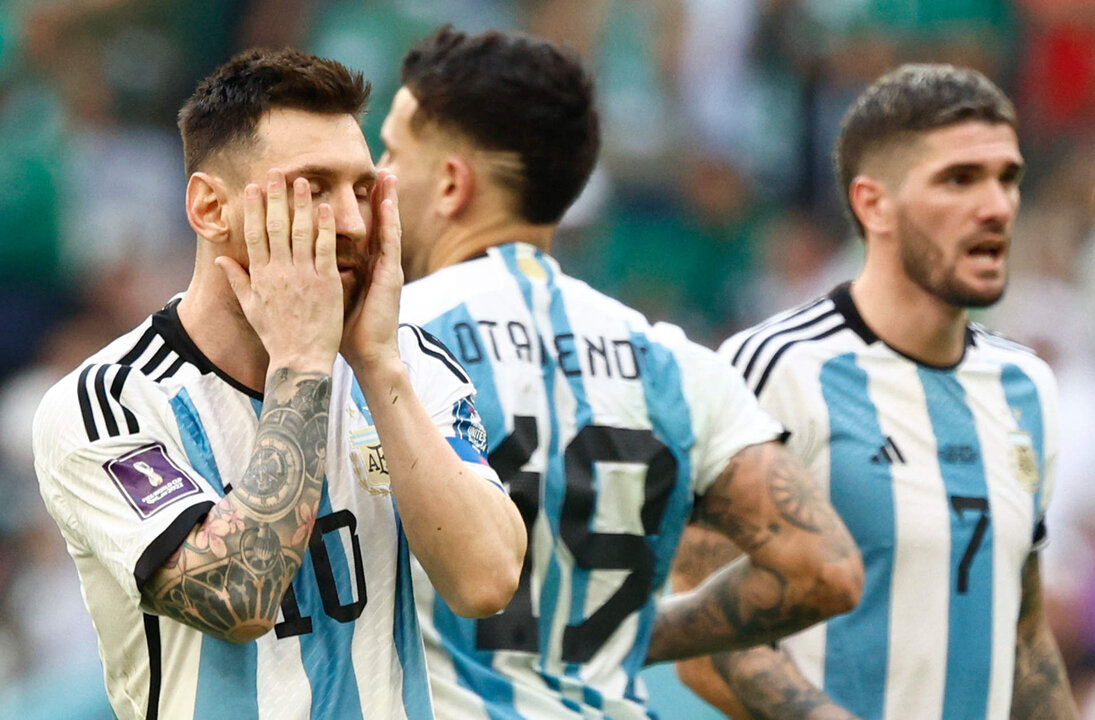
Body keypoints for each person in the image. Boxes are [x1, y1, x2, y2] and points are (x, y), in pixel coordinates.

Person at [380, 25, 864, 720]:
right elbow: (825, 570)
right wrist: (636, 634)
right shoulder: (673, 363)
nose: (377, 176)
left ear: (452, 183)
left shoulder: (384, 347)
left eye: (393, 152)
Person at [32, 47, 526, 720]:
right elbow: (236, 597)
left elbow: (486, 581)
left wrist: (378, 366)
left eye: (360, 189)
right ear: (209, 208)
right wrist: (301, 364)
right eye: (312, 188)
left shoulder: (411, 364)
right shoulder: (107, 403)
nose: (352, 224)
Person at [672, 63, 1080, 720]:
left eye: (1007, 178)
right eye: (959, 179)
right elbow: (703, 639)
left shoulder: (1024, 386)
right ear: (872, 204)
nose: (996, 206)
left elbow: (1023, 639)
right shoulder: (774, 365)